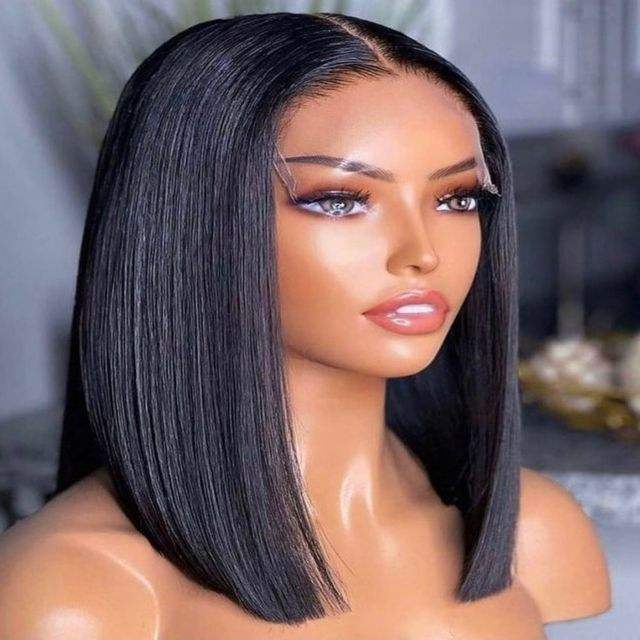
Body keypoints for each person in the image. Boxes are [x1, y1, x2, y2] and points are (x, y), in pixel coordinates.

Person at [0, 12, 611, 638]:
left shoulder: (533, 531)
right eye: (341, 201)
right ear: (191, 228)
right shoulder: (73, 591)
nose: (422, 253)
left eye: (456, 199)